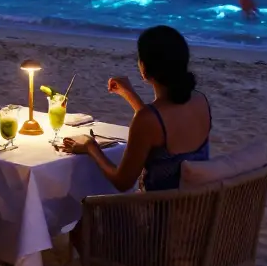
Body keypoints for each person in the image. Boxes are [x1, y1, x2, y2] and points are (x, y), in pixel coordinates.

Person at [61, 25, 211, 191]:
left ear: (144, 69)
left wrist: (91, 147)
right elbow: (160, 127)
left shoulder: (147, 119)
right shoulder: (200, 100)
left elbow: (122, 182)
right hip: (196, 209)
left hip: (158, 214)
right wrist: (130, 95)